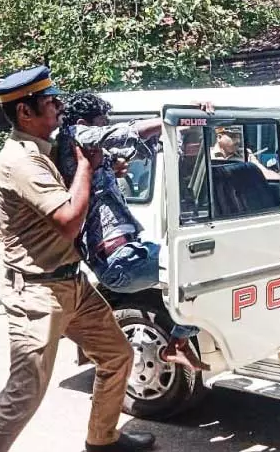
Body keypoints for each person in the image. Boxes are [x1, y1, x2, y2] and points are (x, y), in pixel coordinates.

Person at [0, 67, 155, 452]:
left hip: (71, 283)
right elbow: (68, 221)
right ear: (25, 112)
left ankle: (103, 440)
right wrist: (86, 166)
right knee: (24, 393)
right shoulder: (21, 161)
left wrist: (101, 168)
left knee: (117, 355)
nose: (59, 108)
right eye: (51, 103)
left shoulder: (44, 148)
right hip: (37, 294)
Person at [56, 91, 209, 371]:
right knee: (194, 266)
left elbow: (137, 146)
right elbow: (123, 133)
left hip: (129, 252)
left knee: (199, 265)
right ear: (83, 123)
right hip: (116, 260)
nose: (105, 127)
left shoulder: (92, 154)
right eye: (102, 123)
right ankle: (178, 343)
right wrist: (170, 118)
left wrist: (184, 126)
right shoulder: (74, 137)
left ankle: (179, 341)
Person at [211, 126, 280, 180]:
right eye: (233, 137)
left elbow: (263, 172)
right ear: (219, 137)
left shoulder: (245, 154)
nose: (238, 141)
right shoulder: (208, 155)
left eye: (239, 137)